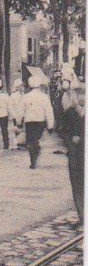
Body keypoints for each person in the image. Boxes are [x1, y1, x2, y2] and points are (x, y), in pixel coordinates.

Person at [60, 76, 85, 221]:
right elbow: (63, 129)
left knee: (77, 182)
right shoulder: (70, 112)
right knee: (77, 182)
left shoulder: (70, 111)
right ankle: (82, 215)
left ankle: (83, 214)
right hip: (76, 155)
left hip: (77, 155)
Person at [22, 74, 55, 169]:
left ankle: (32, 160)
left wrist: (19, 121)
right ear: (39, 85)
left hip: (29, 121)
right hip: (40, 121)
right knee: (36, 140)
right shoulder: (44, 97)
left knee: (30, 141)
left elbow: (21, 110)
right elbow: (49, 111)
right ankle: (35, 157)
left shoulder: (25, 96)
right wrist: (50, 125)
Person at [8, 78, 25, 149]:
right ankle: (19, 144)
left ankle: (23, 143)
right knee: (17, 129)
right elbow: (10, 107)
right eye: (20, 86)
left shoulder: (24, 95)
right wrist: (14, 115)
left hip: (24, 114)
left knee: (23, 129)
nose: (22, 87)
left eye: (22, 86)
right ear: (17, 87)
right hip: (16, 115)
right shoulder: (13, 96)